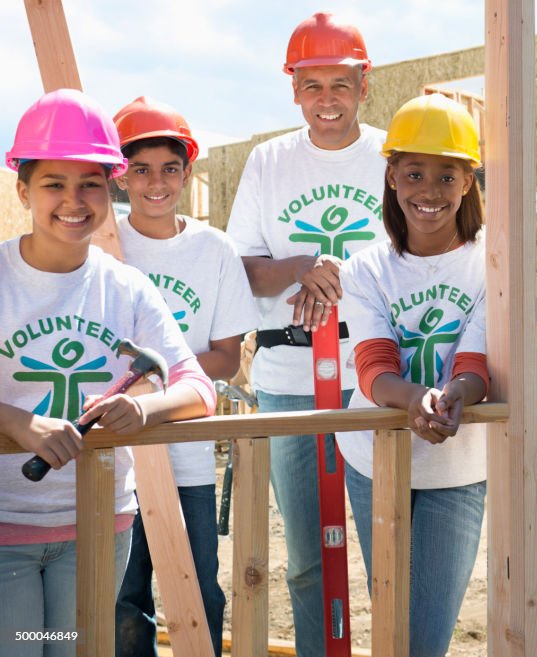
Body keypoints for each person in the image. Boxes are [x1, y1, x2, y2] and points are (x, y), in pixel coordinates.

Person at [0, 89, 215, 657]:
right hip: (4, 527)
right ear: (23, 190)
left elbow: (197, 387)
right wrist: (19, 423)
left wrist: (142, 407)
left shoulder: (125, 286)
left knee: (70, 649)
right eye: (54, 184)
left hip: (98, 523)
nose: (74, 200)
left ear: (109, 187)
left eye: (90, 183)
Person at [224, 13, 388, 655]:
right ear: (293, 89)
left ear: (363, 86)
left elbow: (416, 255)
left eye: (340, 84)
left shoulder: (389, 157)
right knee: (306, 557)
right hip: (289, 381)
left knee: (386, 548)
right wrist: (302, 269)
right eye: (312, 85)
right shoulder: (269, 163)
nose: (327, 100)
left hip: (373, 380)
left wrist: (343, 272)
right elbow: (239, 272)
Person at [339, 93, 489, 657]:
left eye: (446, 175)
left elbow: (475, 362)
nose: (429, 191)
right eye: (414, 173)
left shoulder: (490, 260)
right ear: (392, 177)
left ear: (469, 180)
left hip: (458, 464)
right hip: (373, 458)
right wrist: (417, 401)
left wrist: (453, 396)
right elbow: (374, 367)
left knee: (424, 638)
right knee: (396, 626)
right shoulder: (366, 267)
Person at [110, 96, 259, 657]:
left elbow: (226, 356)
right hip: (117, 456)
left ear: (187, 172)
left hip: (188, 455)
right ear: (120, 176)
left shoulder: (213, 249)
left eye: (169, 168)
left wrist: (160, 390)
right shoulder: (104, 245)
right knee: (125, 605)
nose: (156, 182)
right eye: (140, 169)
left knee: (200, 597)